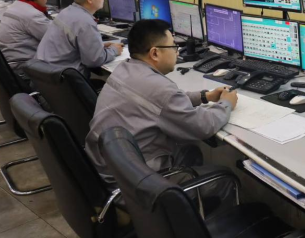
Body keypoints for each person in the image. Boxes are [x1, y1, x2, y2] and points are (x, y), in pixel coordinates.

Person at [85, 19, 238, 207]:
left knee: (189, 150)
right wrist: (226, 104)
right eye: (173, 46)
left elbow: (160, 101)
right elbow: (203, 126)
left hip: (110, 169)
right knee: (225, 179)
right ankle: (189, 215)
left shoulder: (126, 68)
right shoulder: (159, 89)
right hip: (133, 186)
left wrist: (204, 96)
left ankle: (189, 205)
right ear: (155, 53)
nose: (177, 51)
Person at [35, 0, 122, 78]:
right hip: (62, 80)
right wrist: (114, 50)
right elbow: (94, 60)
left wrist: (98, 47)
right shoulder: (85, 22)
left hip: (44, 75)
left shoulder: (66, 12)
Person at [0, 0, 52, 90]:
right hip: (21, 68)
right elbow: (55, 38)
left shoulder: (15, 6)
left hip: (6, 63)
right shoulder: (32, 15)